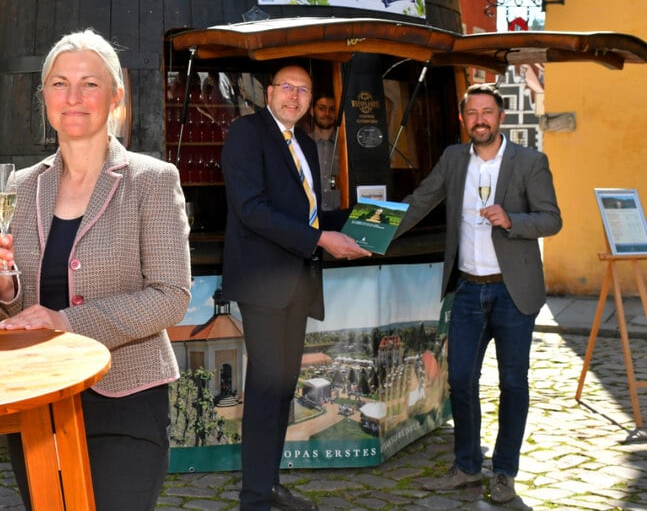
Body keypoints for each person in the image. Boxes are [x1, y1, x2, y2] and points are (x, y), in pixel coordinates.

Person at [0, 29, 191, 510]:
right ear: (44, 98)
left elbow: (171, 295)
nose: (73, 97)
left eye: (89, 84)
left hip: (126, 398)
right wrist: (3, 280)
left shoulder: (152, 180)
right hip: (38, 397)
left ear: (115, 98)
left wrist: (67, 323)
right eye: (59, 83)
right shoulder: (22, 185)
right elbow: (14, 304)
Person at [395, 83, 562, 504]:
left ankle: (504, 472)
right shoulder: (454, 159)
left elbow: (551, 220)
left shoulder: (530, 162)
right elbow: (420, 201)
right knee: (461, 380)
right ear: (463, 119)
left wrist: (511, 219)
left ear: (500, 117)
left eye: (487, 112)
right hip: (469, 289)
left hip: (513, 292)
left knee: (513, 383)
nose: (480, 120)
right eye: (473, 113)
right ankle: (467, 467)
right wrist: (373, 232)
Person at [220, 64, 371, 511]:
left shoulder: (303, 143)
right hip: (264, 284)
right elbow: (252, 210)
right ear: (269, 92)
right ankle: (254, 500)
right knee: (267, 389)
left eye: (304, 90)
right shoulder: (247, 133)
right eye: (287, 87)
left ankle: (267, 484)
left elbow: (310, 216)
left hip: (297, 282)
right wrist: (321, 239)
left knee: (284, 388)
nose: (295, 96)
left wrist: (362, 222)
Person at [308, 92, 345, 227]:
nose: (327, 113)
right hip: (310, 217)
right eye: (322, 108)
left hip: (340, 216)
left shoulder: (345, 147)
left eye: (332, 109)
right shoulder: (302, 144)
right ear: (312, 111)